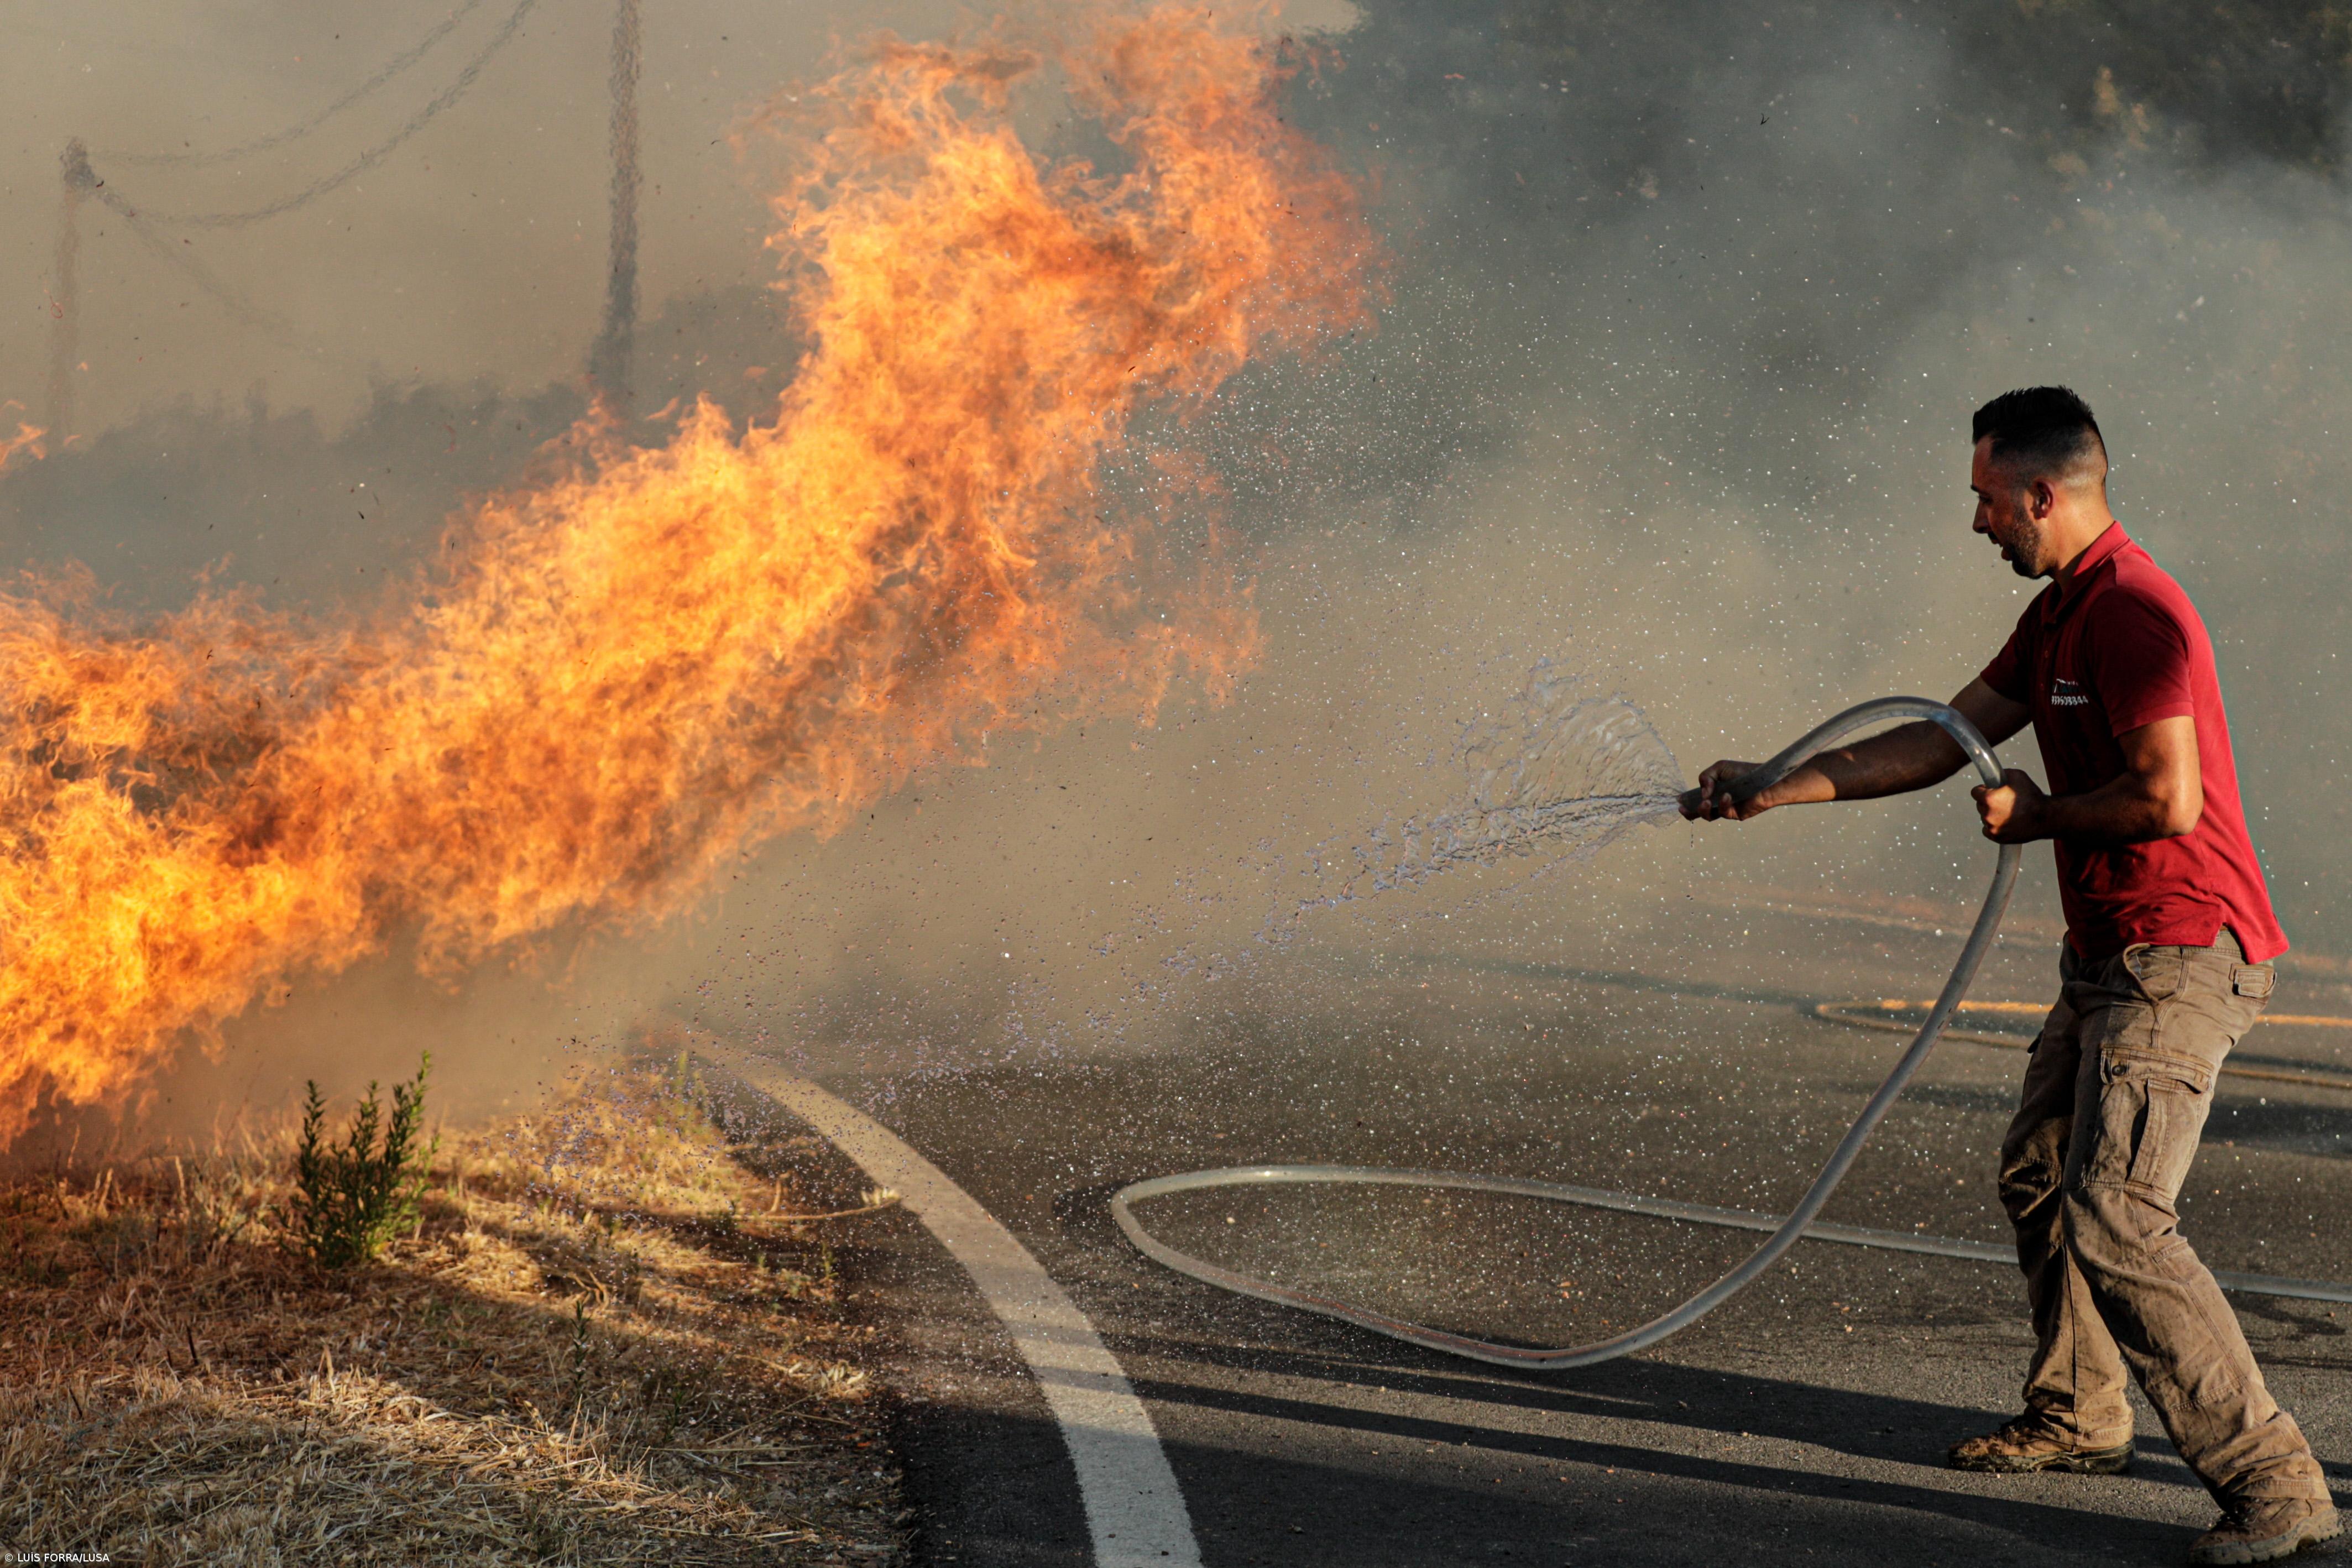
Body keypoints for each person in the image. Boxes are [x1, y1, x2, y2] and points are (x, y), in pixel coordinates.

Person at [1682, 386, 2339, 1566]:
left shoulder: (2138, 612)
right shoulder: (2058, 618)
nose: (1980, 523)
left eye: (1989, 500)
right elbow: (1941, 736)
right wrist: (1778, 780)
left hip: (2182, 955)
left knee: (2120, 1211)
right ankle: (2083, 1414)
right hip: (2108, 957)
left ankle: (2280, 1484)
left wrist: (2038, 816)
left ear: (2045, 493)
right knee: (2042, 1171)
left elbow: (2168, 799)